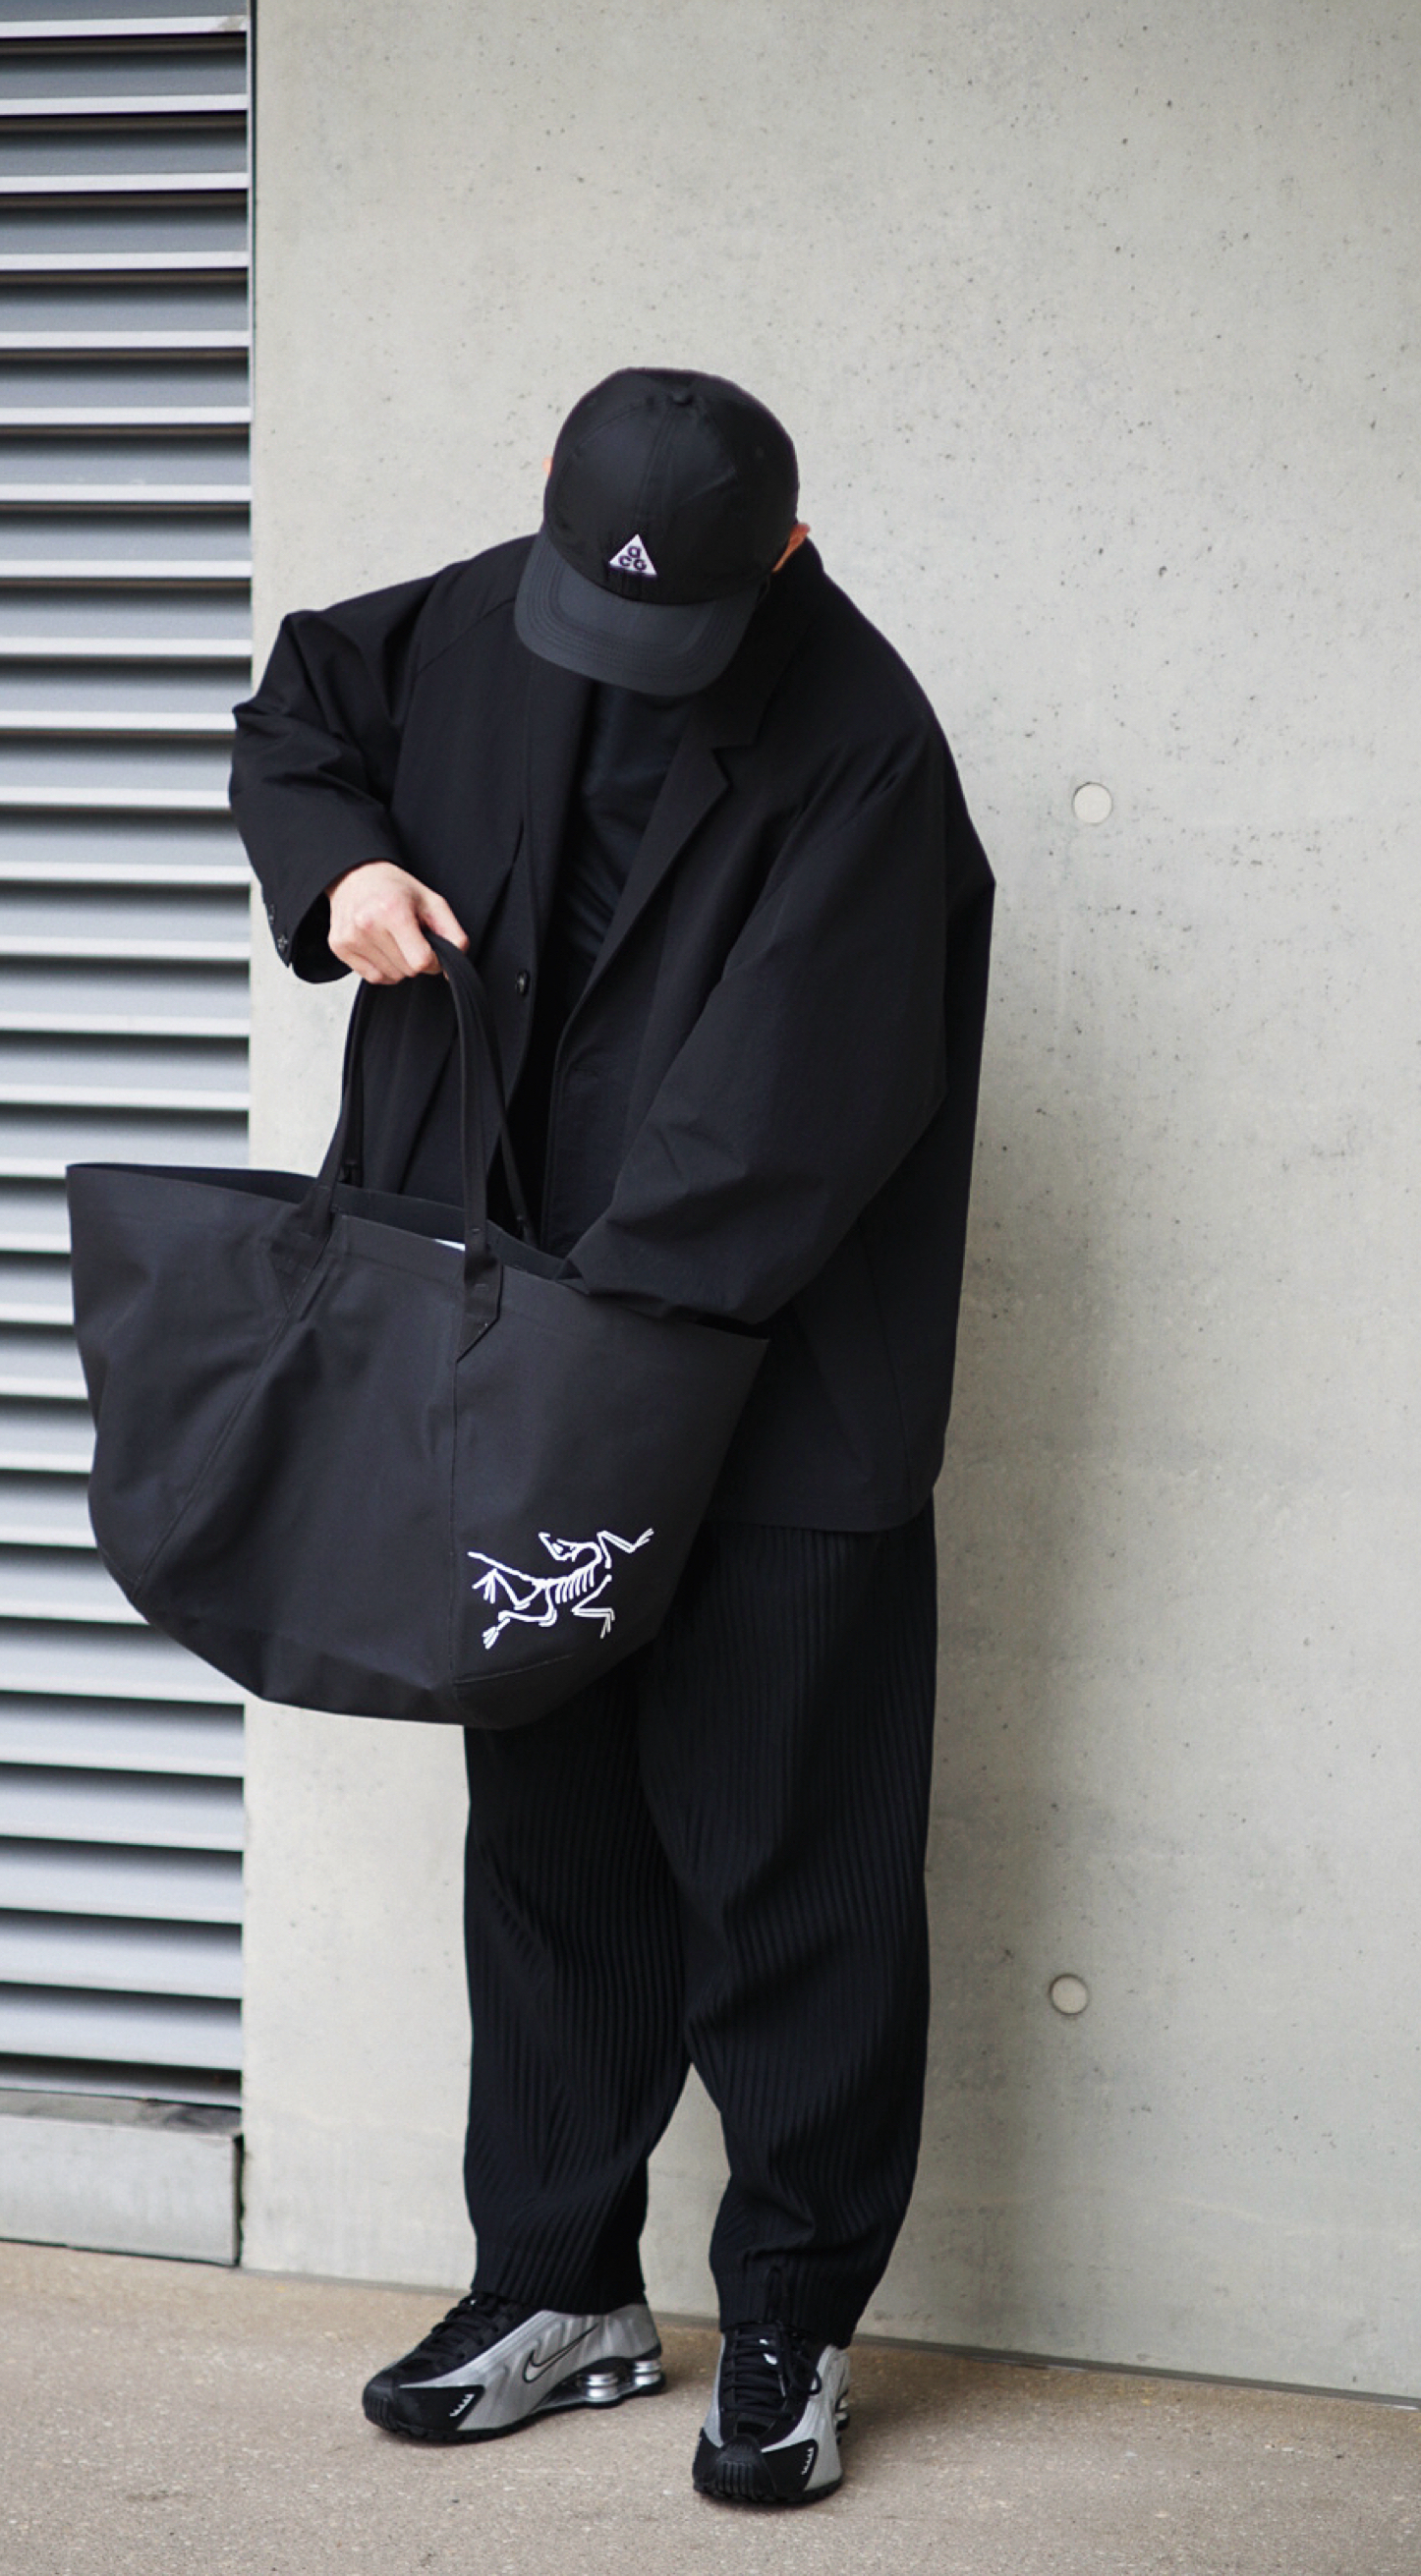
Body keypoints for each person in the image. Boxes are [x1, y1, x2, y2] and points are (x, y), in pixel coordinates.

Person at [230, 367, 994, 2508]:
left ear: (791, 554)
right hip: (520, 1367)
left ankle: (791, 2319)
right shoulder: (490, 607)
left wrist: (556, 1357)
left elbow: (783, 1129)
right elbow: (301, 708)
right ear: (549, 520)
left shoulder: (867, 743)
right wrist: (341, 869)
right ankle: (556, 2286)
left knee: (788, 1867)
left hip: (767, 1402)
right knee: (553, 1846)